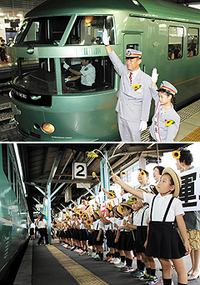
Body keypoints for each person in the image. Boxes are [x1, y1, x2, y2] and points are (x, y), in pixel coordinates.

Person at [112, 167, 191, 285]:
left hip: (169, 235)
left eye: (164, 181)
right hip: (156, 234)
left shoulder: (175, 201)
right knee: (165, 265)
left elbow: (180, 222)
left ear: (172, 187)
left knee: (179, 268)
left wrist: (186, 241)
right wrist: (119, 182)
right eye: (160, 180)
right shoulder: (152, 198)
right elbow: (134, 192)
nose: (160, 182)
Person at [102, 29, 152, 142]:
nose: (128, 62)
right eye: (127, 60)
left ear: (139, 61)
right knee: (125, 140)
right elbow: (115, 61)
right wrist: (107, 45)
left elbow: (147, 101)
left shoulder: (146, 79)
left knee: (135, 141)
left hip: (134, 117)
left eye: (131, 60)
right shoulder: (124, 71)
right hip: (121, 113)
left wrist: (144, 120)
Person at [175, 149, 200, 280]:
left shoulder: (195, 173)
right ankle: (193, 266)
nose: (176, 165)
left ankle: (196, 269)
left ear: (182, 161)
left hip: (194, 214)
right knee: (190, 242)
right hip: (186, 215)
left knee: (196, 244)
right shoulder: (181, 177)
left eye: (177, 162)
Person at [149, 69, 180, 142]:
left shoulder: (173, 117)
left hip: (160, 141)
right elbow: (154, 93)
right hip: (152, 137)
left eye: (162, 97)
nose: (159, 99)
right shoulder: (159, 104)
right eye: (159, 96)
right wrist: (154, 82)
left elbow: (169, 139)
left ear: (170, 97)